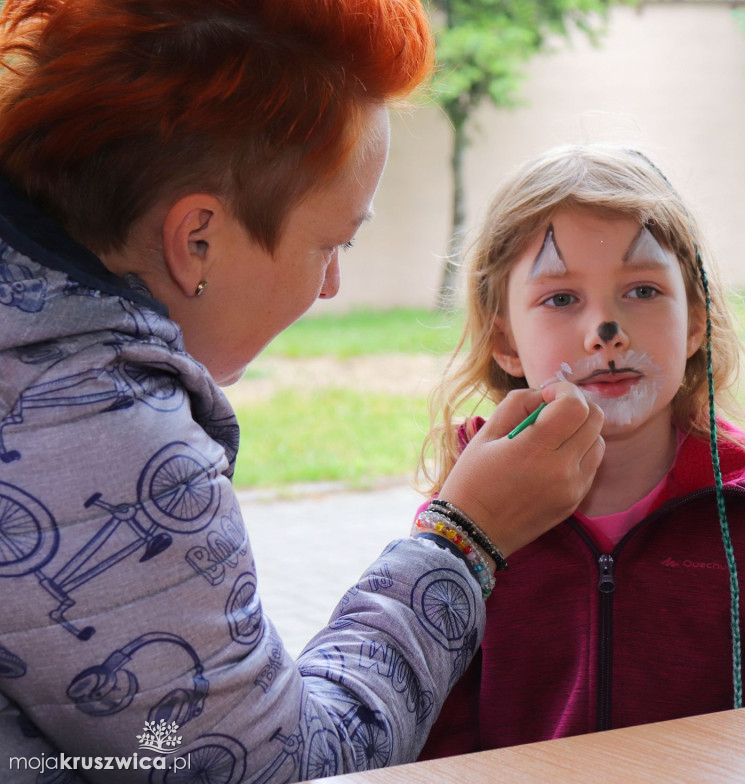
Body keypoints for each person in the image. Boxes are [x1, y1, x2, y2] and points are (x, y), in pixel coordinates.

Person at [0, 2, 605, 780]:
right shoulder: (105, 440)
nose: (332, 285)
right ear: (197, 241)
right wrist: (465, 538)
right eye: (332, 242)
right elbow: (284, 767)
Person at [416, 144, 745, 758]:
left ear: (696, 320)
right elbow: (439, 751)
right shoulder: (471, 517)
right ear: (504, 339)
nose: (605, 332)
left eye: (642, 291)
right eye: (562, 299)